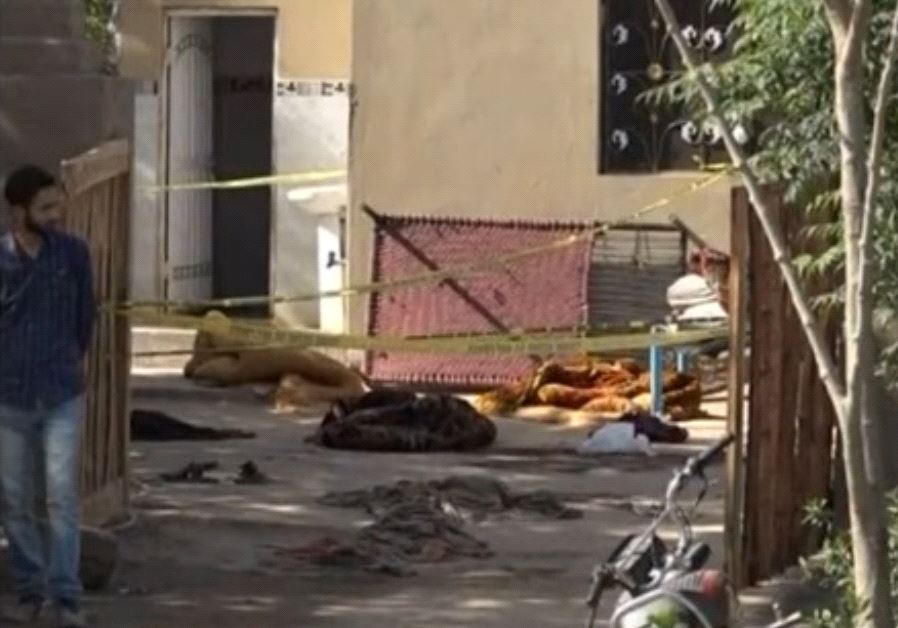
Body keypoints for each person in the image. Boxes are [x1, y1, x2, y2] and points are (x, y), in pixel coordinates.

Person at [0, 165, 94, 628]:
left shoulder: (73, 254)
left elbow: (85, 317)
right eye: (45, 208)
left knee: (60, 497)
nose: (56, 215)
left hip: (60, 393)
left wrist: (67, 361)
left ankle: (65, 595)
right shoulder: (3, 261)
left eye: (58, 205)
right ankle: (29, 587)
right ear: (18, 213)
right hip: (9, 396)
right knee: (15, 500)